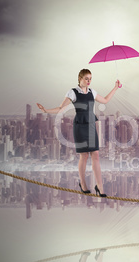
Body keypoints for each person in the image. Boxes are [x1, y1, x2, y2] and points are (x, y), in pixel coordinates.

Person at [37, 69, 121, 197]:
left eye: (90, 78)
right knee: (84, 156)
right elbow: (61, 108)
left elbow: (104, 100)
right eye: (86, 78)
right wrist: (45, 110)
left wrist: (115, 88)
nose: (89, 81)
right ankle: (83, 184)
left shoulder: (92, 92)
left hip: (91, 125)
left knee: (96, 155)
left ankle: (100, 187)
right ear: (80, 78)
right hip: (80, 127)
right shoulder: (73, 92)